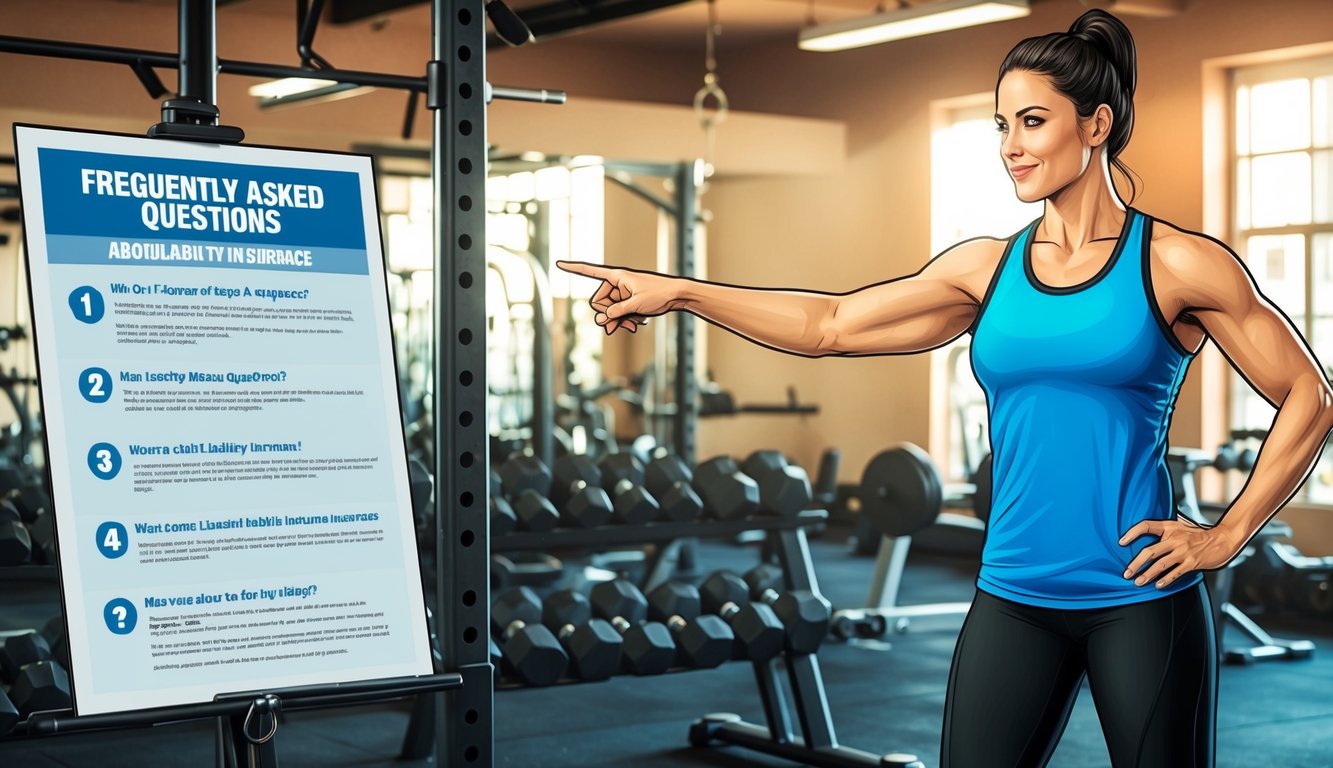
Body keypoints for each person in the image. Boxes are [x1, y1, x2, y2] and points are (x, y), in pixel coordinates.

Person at [558, 8, 1333, 767]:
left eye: (1031, 122)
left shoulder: (1177, 264)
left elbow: (1310, 395)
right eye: (1000, 126)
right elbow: (829, 323)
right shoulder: (984, 268)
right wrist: (683, 292)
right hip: (1012, 594)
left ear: (1094, 125)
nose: (1010, 147)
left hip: (1137, 596)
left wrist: (1226, 535)